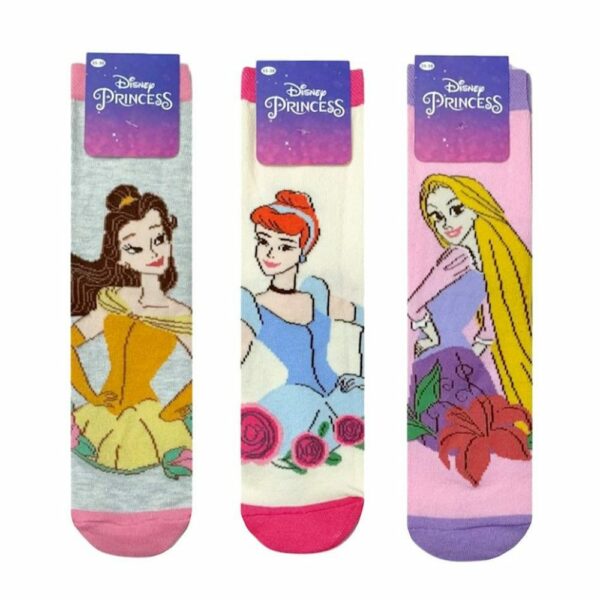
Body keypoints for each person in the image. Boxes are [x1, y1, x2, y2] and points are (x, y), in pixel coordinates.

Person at [71, 184, 192, 475]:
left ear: (169, 239)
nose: (153, 252)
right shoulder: (114, 300)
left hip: (150, 418)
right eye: (135, 247)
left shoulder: (179, 314)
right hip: (98, 413)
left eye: (159, 239)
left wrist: (176, 409)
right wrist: (89, 394)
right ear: (120, 256)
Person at [241, 189, 364, 468]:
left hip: (341, 393)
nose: (270, 253)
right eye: (263, 241)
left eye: (285, 246)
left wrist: (364, 373)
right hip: (295, 404)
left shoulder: (315, 292)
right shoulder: (251, 305)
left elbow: (365, 318)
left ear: (302, 252)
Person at [408, 174, 531, 447]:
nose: (446, 223)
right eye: (437, 217)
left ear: (476, 207)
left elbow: (488, 331)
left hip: (453, 360)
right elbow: (414, 307)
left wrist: (465, 362)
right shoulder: (456, 260)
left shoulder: (489, 263)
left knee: (462, 436)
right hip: (446, 358)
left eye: (456, 210)